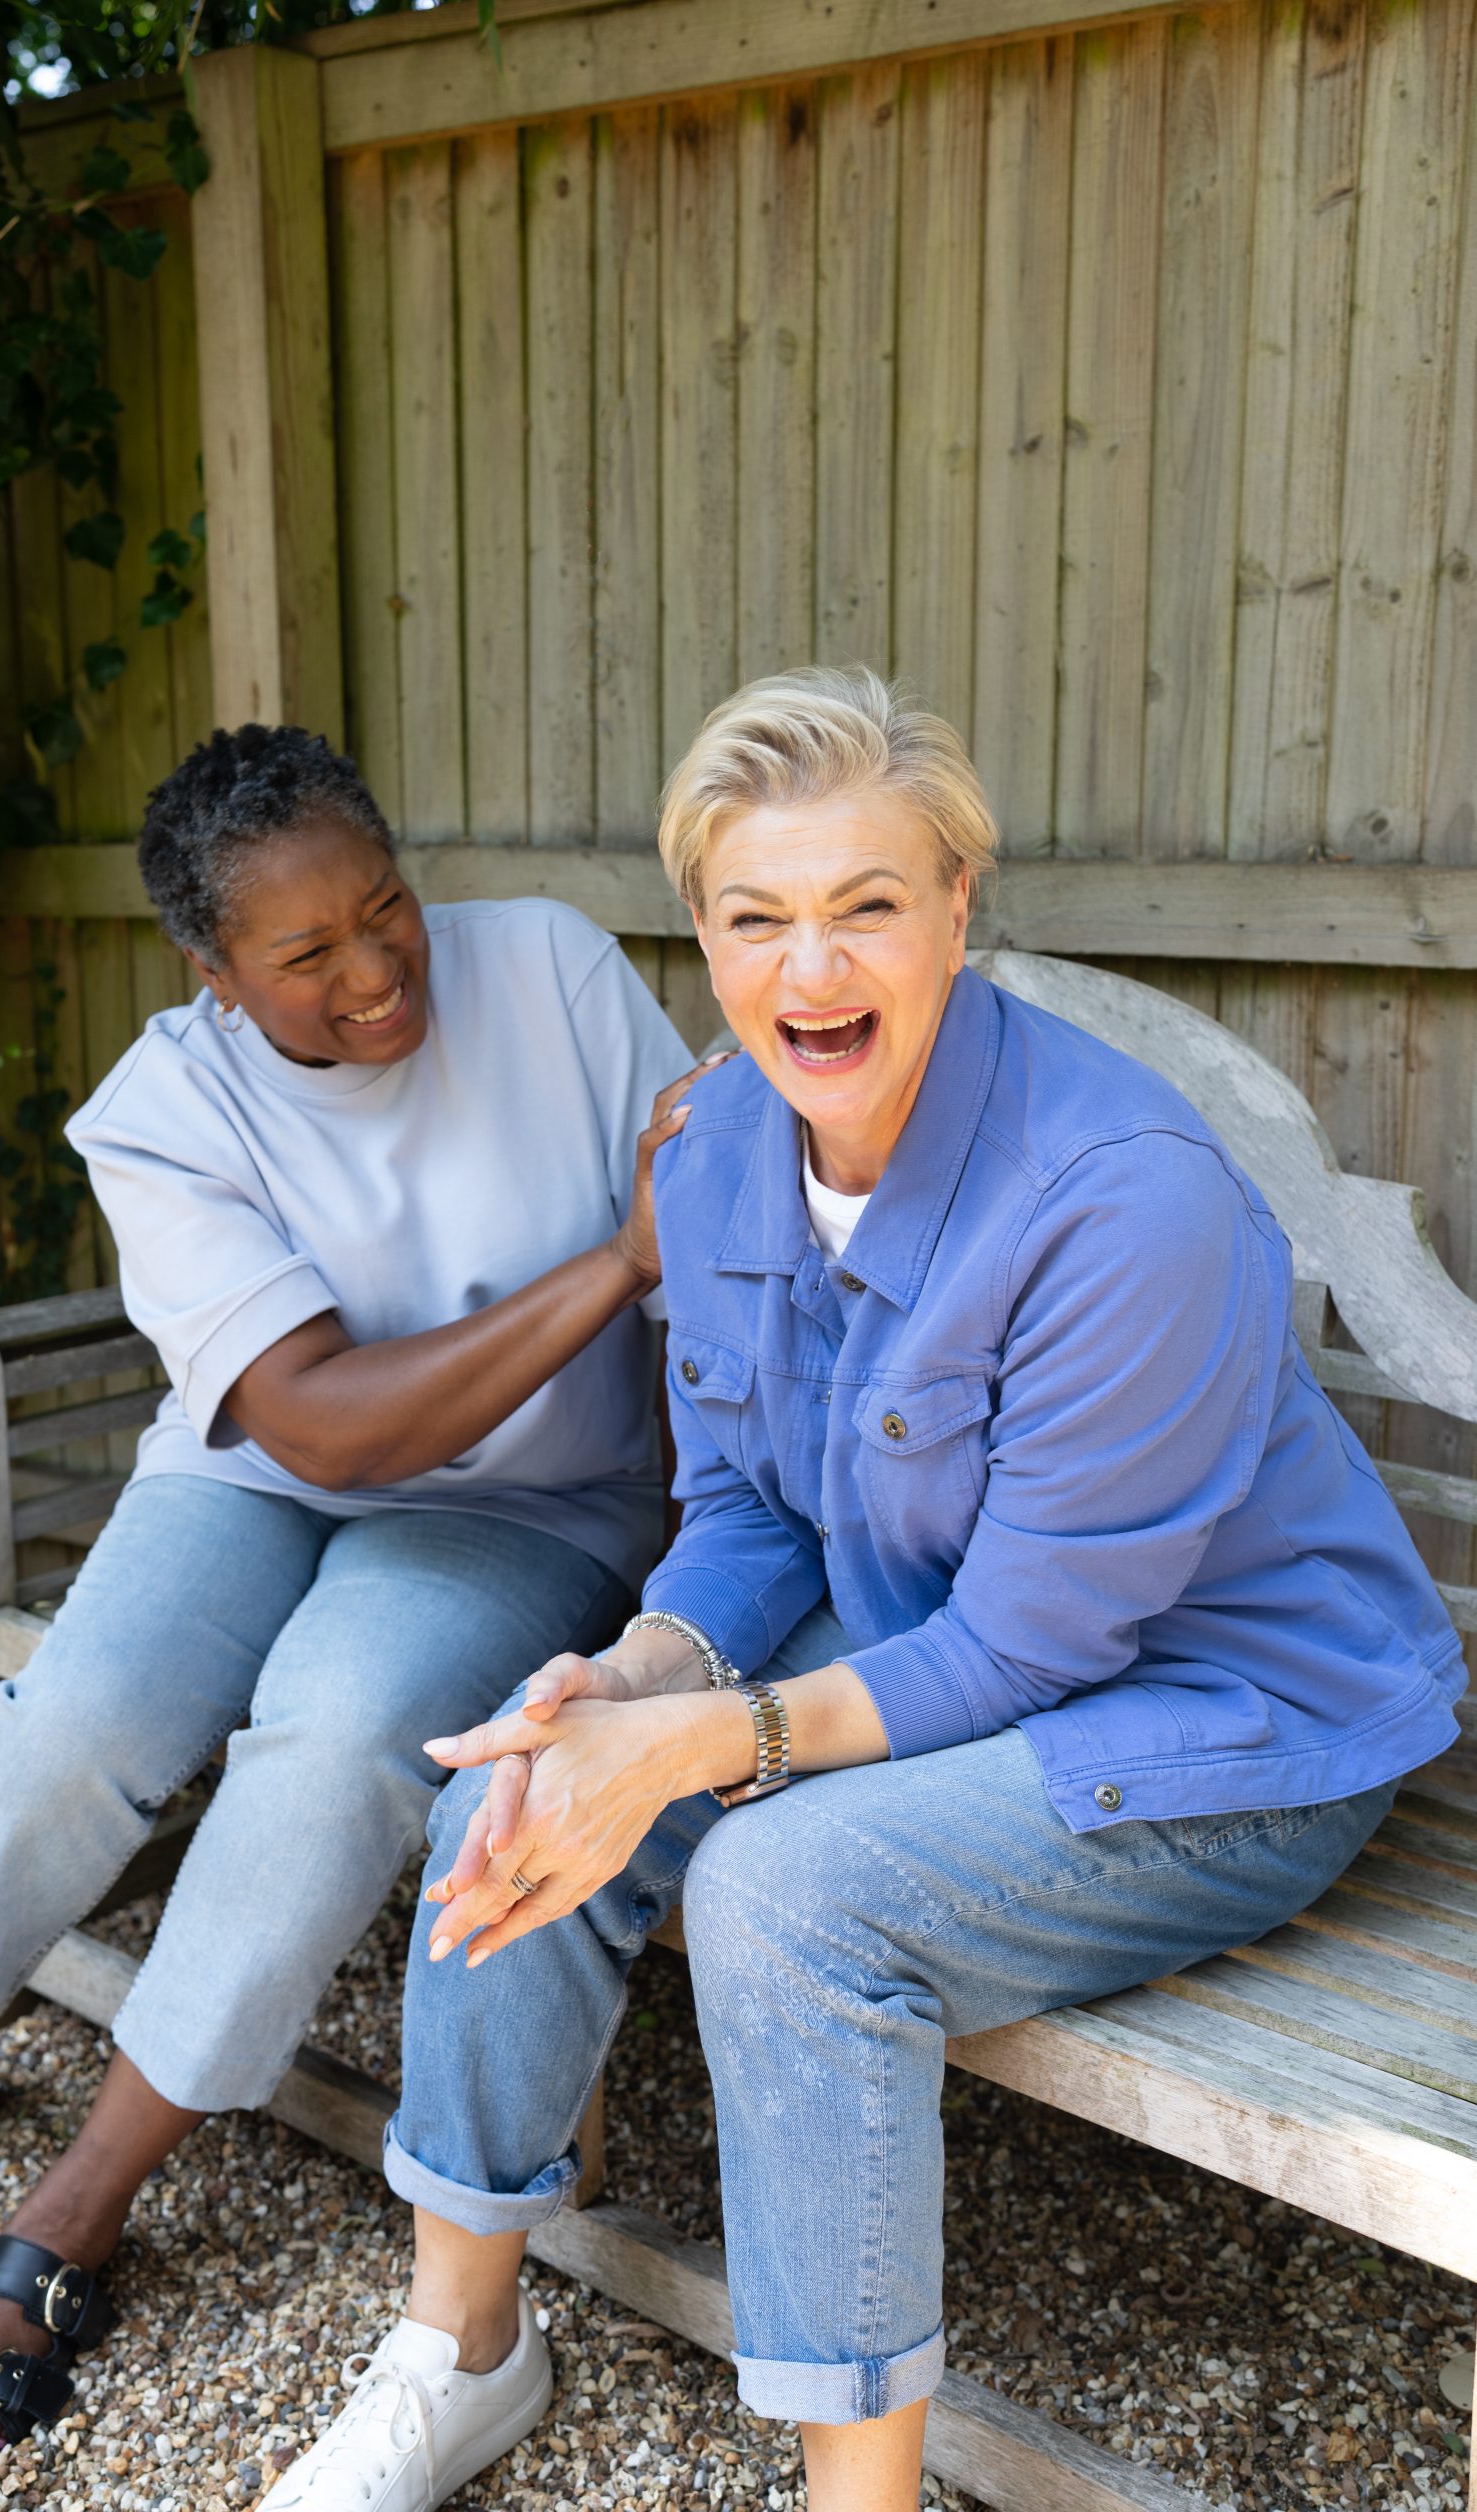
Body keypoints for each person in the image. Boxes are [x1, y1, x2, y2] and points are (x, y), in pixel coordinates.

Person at [256, 669, 1467, 2512]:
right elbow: (750, 1503)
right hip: (933, 1631)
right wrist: (636, 1679)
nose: (811, 967)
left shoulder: (1120, 1197)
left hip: (1230, 1716)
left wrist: (696, 1750)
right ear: (709, 942)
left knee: (785, 1896)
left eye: (866, 905)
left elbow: (1032, 1647)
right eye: (758, 918)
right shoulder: (724, 1143)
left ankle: (859, 2495)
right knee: (523, 1765)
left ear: (959, 911)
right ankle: (463, 2348)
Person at [0, 725, 702, 2495]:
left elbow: (709, 1223)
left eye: (386, 908)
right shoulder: (165, 1104)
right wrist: (615, 1263)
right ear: (212, 973)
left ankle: (83, 2198)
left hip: (537, 1503)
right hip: (271, 1470)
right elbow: (316, 1418)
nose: (375, 972)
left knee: (336, 1738)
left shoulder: (559, 976)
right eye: (307, 955)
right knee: (90, 1711)